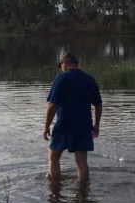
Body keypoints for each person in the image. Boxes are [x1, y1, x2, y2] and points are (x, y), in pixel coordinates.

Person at [43, 52, 103, 183]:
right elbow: (98, 105)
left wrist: (46, 126)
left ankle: (55, 190)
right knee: (81, 160)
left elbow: (52, 106)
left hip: (64, 124)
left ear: (66, 62)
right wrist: (96, 125)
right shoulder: (90, 79)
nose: (62, 68)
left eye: (62, 65)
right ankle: (83, 192)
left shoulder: (61, 78)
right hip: (84, 125)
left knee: (53, 158)